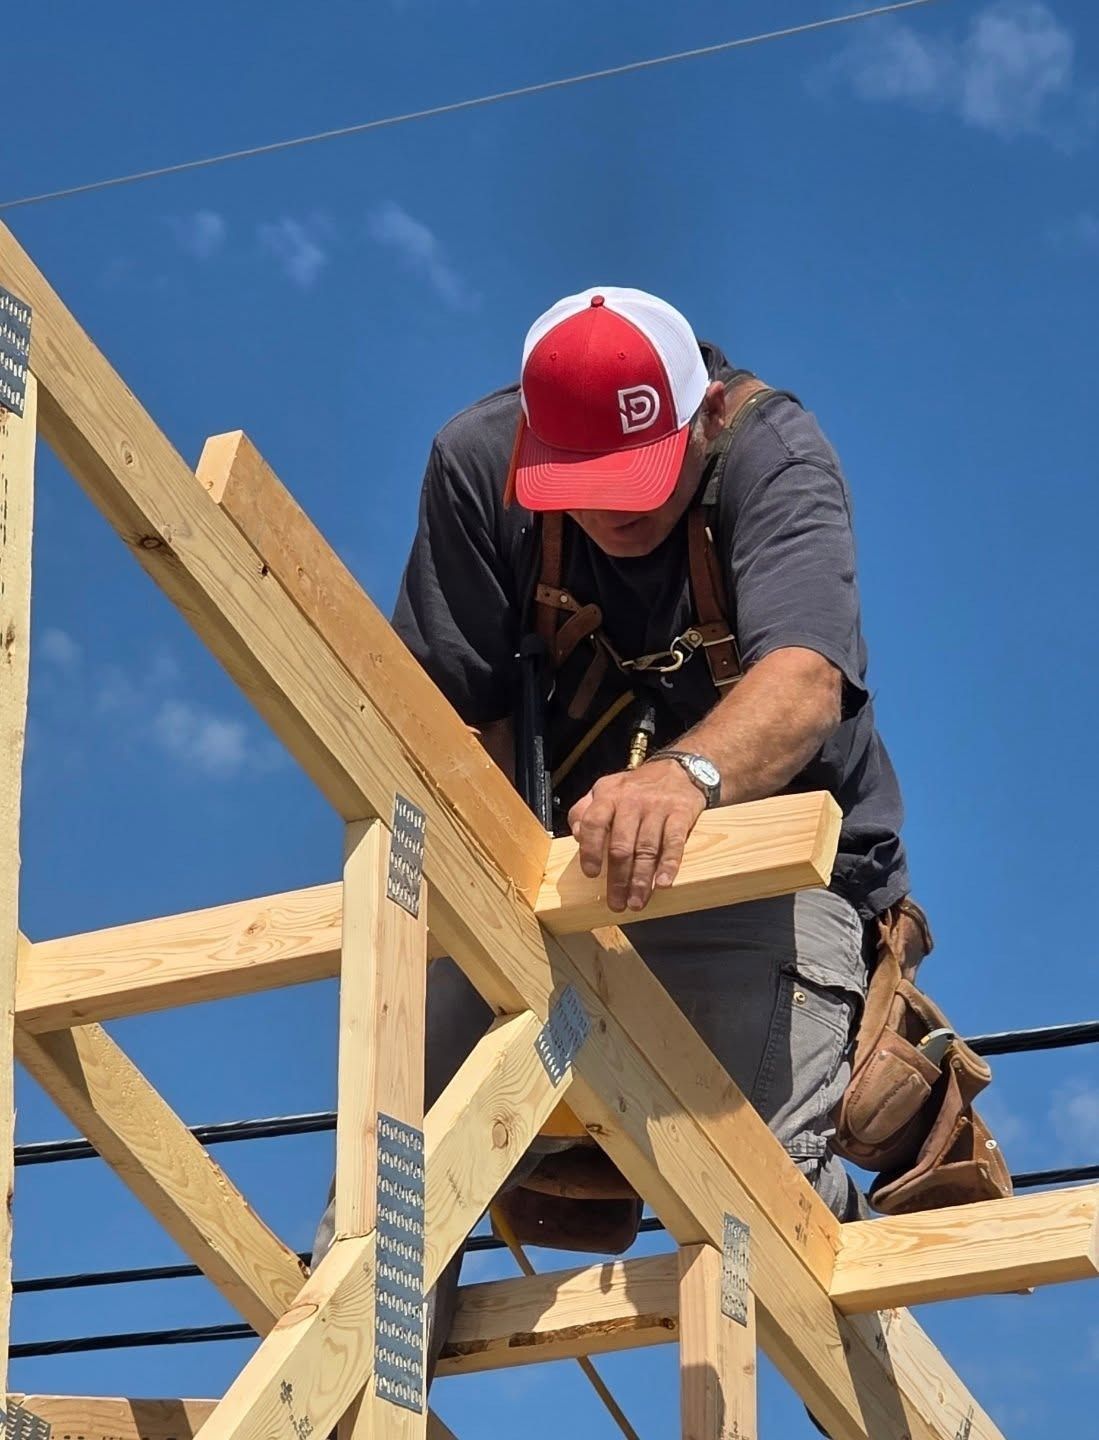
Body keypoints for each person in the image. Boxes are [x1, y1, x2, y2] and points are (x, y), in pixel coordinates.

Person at [312, 285, 915, 1392]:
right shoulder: (477, 462)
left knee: (764, 1218)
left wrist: (685, 774)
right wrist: (480, 886)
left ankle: (837, 1238)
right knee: (385, 1196)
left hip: (762, 873)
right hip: (555, 886)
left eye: (639, 486)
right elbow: (437, 719)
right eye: (585, 491)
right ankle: (350, 1398)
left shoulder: (770, 451)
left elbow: (802, 683)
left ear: (700, 419)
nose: (615, 517)